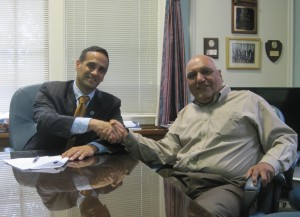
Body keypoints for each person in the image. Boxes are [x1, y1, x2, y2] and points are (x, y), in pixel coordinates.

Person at [103, 54, 298, 217]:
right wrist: (126, 136)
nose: (199, 78)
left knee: (201, 214)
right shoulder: (186, 112)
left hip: (225, 186)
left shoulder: (249, 101)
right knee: (142, 207)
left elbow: (286, 138)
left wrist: (268, 163)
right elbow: (163, 152)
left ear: (219, 75)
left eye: (206, 72)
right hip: (179, 179)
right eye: (192, 75)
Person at [24, 46, 123, 161]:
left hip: (82, 165)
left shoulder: (111, 103)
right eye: (91, 66)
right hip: (40, 160)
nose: (95, 73)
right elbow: (45, 120)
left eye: (102, 70)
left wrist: (93, 147)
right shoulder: (50, 90)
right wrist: (92, 123)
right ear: (77, 64)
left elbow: (120, 137)